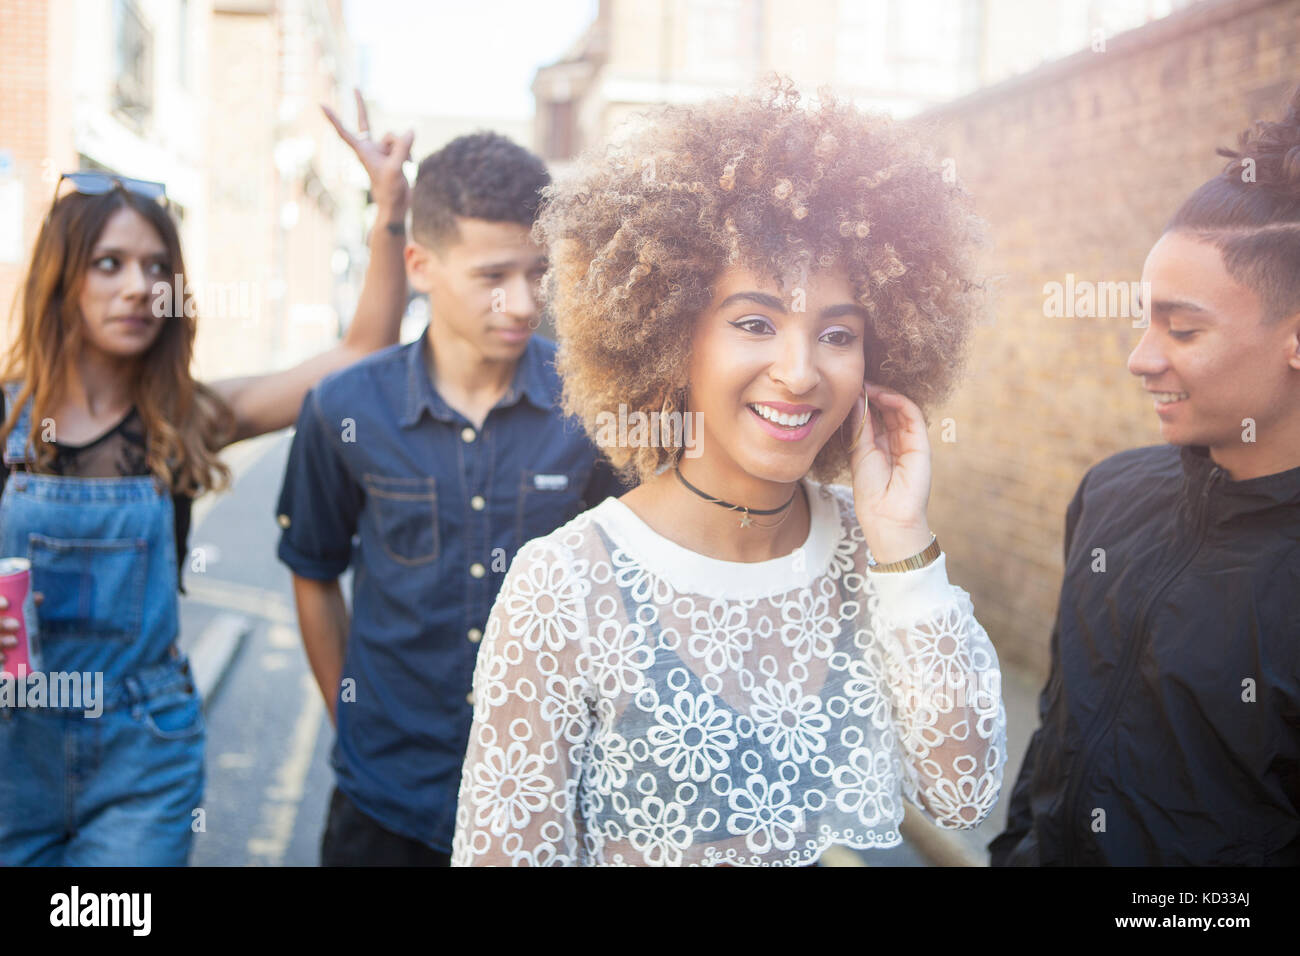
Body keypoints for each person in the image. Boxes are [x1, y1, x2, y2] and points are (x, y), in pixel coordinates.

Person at [451, 77, 1007, 867]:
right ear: (674, 334)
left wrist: (903, 546)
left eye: (838, 334)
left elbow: (964, 793)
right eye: (755, 322)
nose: (800, 370)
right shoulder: (564, 587)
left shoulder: (878, 562)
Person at [0, 91, 412, 866]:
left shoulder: (184, 417)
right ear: (63, 280)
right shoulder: (5, 419)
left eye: (158, 268)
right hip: (9, 756)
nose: (138, 287)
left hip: (143, 760)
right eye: (109, 264)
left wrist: (389, 207)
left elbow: (362, 355)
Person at [274, 120, 627, 866]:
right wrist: (353, 718)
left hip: (548, 799)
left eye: (538, 272)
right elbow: (313, 567)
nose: (525, 303)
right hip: (386, 801)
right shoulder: (343, 410)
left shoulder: (592, 406)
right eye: (493, 276)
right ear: (421, 265)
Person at [989, 87, 1300, 866]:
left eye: (1183, 328)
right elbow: (1058, 730)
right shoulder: (1112, 492)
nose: (1141, 358)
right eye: (1143, 318)